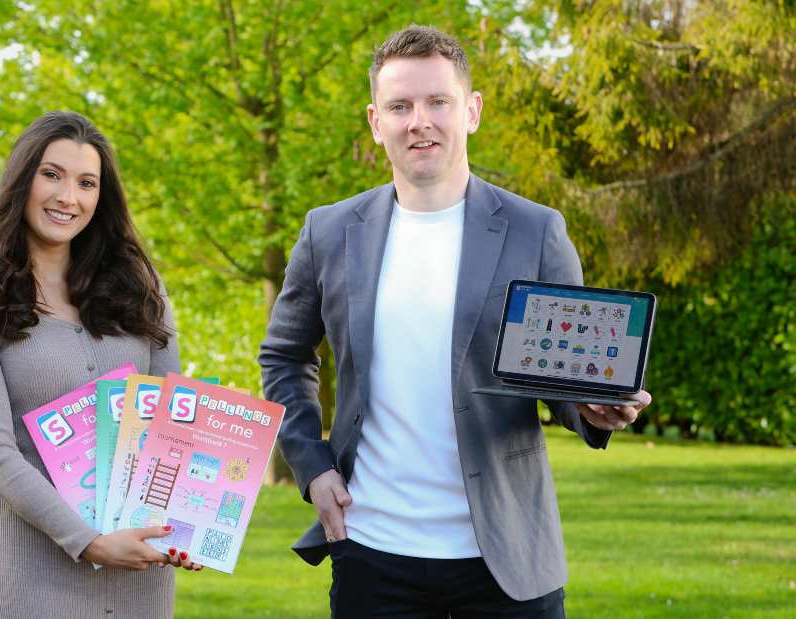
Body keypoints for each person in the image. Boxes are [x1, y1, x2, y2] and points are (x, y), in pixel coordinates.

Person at [259, 26, 652, 618]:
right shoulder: (329, 231)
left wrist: (592, 405)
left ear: (470, 110)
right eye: (400, 105)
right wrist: (311, 467)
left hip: (508, 556)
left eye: (437, 101)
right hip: (372, 550)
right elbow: (285, 356)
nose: (420, 120)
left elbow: (563, 372)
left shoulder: (536, 230)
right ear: (375, 121)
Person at [0, 111, 200, 619]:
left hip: (138, 575)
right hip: (35, 573)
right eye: (51, 175)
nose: (68, 198)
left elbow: (171, 425)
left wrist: (192, 528)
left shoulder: (141, 290)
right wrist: (91, 542)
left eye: (86, 183)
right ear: (21, 180)